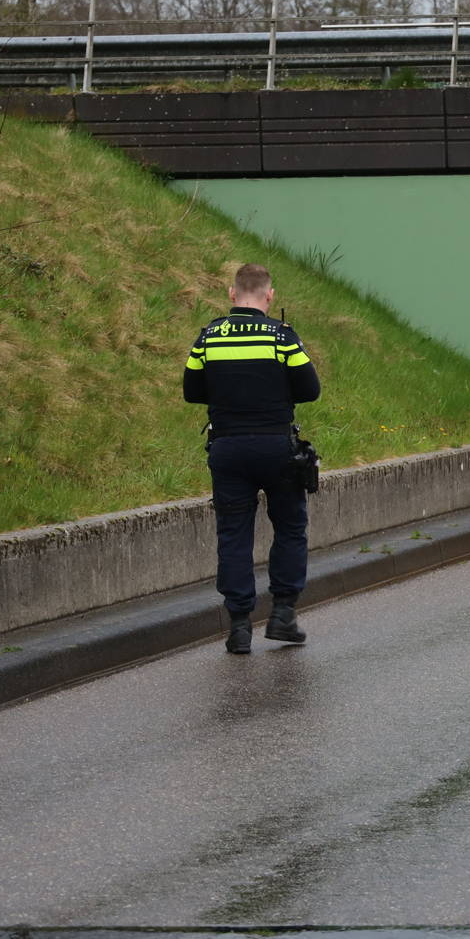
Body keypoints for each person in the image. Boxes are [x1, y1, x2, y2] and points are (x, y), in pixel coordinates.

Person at [183, 263, 322, 654]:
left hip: (227, 449)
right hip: (277, 448)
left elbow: (192, 391)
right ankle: (282, 615)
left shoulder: (208, 337)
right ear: (269, 295)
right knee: (291, 528)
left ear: (232, 294)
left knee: (233, 535)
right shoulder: (282, 337)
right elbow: (310, 389)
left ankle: (239, 627)